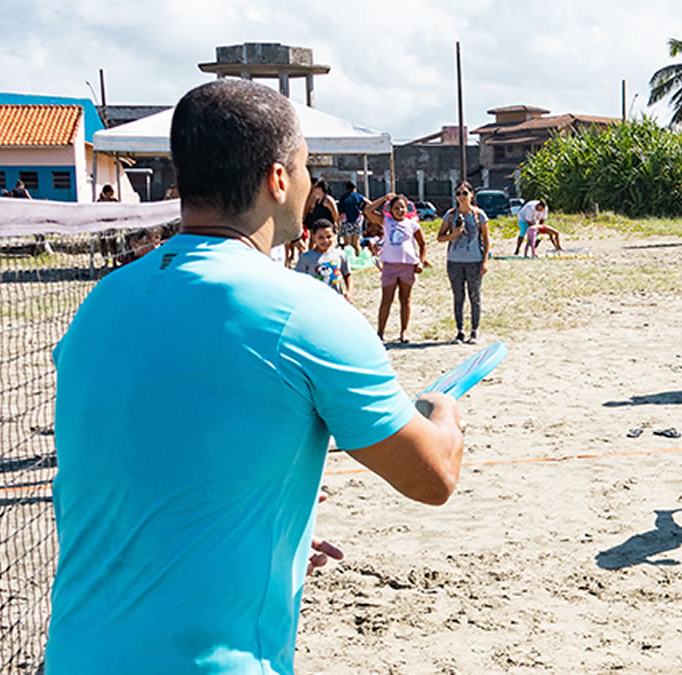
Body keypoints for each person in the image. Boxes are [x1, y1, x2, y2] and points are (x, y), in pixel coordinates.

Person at [46, 79, 465, 675]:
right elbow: (432, 477)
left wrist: (264, 535)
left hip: (76, 655)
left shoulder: (102, 302)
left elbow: (150, 455)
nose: (310, 184)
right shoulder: (305, 313)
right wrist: (444, 413)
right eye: (306, 167)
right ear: (278, 179)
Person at [366, 194, 429, 342]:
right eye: (396, 208)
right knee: (386, 300)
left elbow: (422, 244)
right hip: (390, 265)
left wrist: (420, 262)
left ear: (407, 208)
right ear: (391, 210)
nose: (400, 210)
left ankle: (404, 331)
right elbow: (368, 211)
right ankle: (380, 332)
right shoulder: (386, 221)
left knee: (405, 299)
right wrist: (383, 199)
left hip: (407, 265)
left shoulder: (412, 224)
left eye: (402, 207)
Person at [437, 182, 489, 344]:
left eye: (465, 193)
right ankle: (460, 331)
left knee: (475, 296)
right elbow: (440, 237)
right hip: (454, 262)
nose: (461, 196)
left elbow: (486, 239)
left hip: (474, 261)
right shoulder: (450, 215)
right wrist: (454, 234)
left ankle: (474, 331)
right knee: (458, 297)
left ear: (471, 194)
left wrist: (484, 262)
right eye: (458, 193)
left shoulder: (479, 215)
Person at [294, 220, 352, 302]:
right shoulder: (306, 258)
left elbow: (347, 274)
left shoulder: (340, 254)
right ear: (313, 237)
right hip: (315, 300)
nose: (325, 241)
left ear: (334, 235)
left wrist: (349, 291)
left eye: (329, 237)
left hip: (336, 299)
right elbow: (298, 279)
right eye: (321, 238)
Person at [337, 181, 369, 255]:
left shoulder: (343, 197)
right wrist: (363, 211)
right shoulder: (358, 196)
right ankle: (358, 258)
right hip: (357, 221)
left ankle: (348, 259)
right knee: (356, 244)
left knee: (347, 244)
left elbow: (340, 211)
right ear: (354, 189)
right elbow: (369, 202)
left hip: (346, 221)